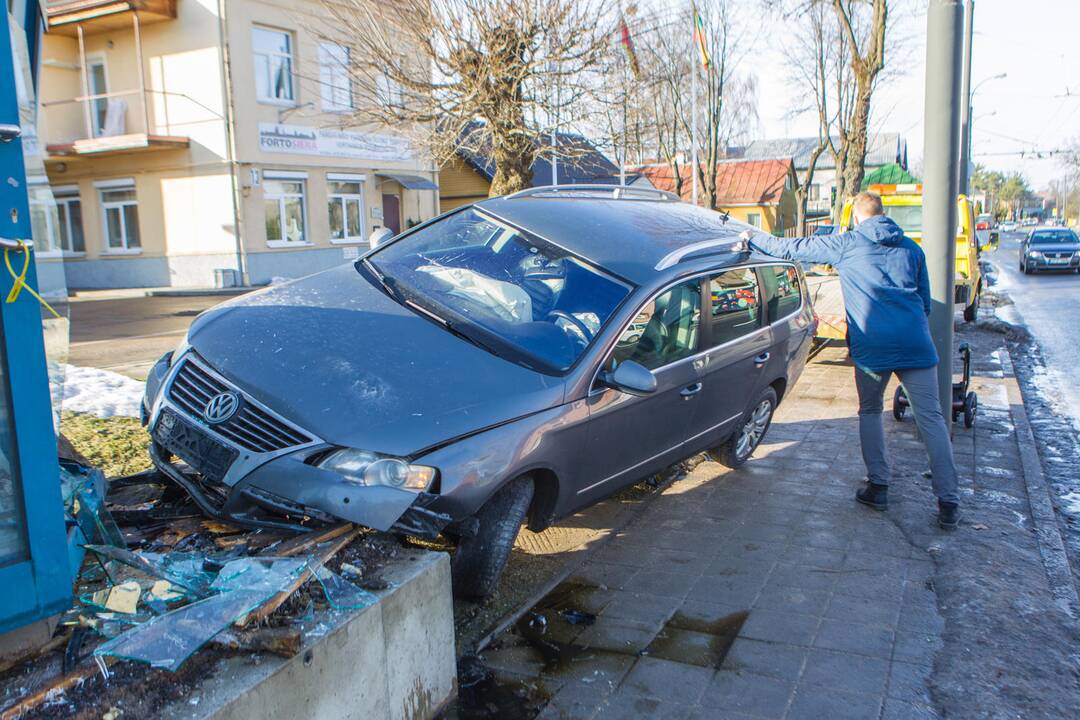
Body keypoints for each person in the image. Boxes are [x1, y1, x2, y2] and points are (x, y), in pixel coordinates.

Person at [740, 191, 961, 530]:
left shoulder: (847, 243)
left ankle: (879, 487)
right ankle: (948, 503)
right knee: (931, 418)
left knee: (871, 411)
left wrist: (752, 237)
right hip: (916, 344)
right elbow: (925, 303)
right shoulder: (912, 250)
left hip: (873, 346)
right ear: (883, 215)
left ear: (857, 217)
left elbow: (793, 249)